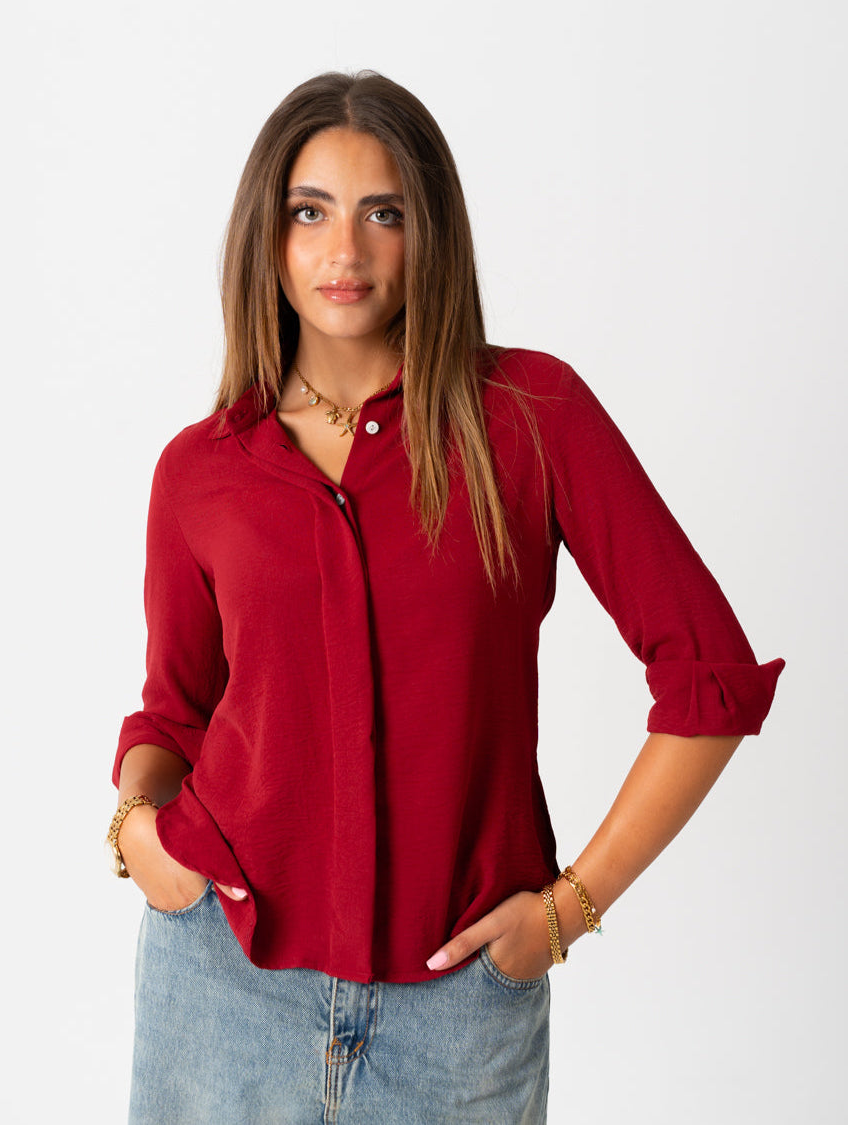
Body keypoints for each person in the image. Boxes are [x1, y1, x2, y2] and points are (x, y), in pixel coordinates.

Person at [108, 70, 784, 1124]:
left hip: (459, 1013)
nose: (345, 250)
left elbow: (713, 681)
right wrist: (136, 831)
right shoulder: (200, 469)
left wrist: (569, 910)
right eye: (310, 212)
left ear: (430, 232)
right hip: (219, 985)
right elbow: (178, 710)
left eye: (383, 213)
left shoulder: (530, 418)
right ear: (265, 236)